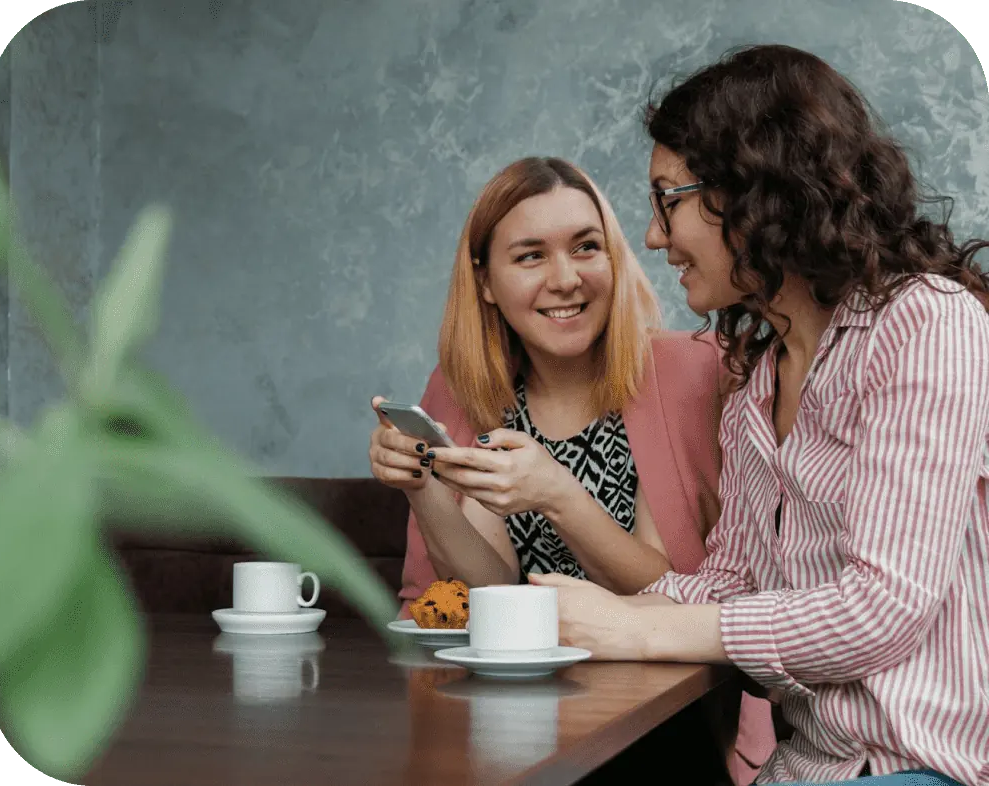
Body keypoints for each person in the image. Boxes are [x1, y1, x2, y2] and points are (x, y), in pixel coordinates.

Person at [529, 44, 989, 786]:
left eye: (667, 200)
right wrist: (586, 610)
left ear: (755, 190)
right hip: (804, 769)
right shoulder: (756, 387)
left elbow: (882, 609)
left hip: (922, 770)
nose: (652, 237)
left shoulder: (926, 323)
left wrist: (638, 632)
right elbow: (731, 586)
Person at [368, 155, 776, 785]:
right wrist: (423, 488)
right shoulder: (460, 390)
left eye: (586, 247)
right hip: (507, 715)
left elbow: (673, 593)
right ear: (485, 282)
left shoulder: (691, 372)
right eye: (530, 256)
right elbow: (489, 588)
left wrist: (558, 495)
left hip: (669, 722)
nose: (566, 279)